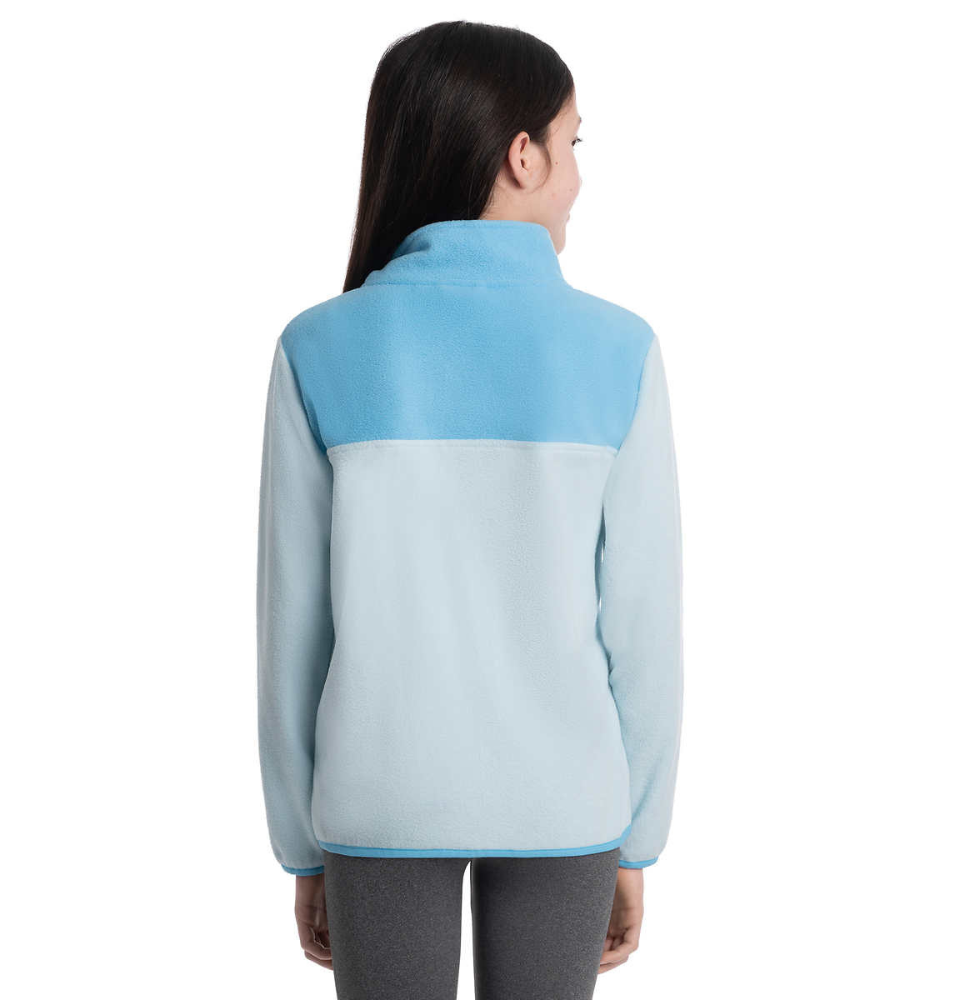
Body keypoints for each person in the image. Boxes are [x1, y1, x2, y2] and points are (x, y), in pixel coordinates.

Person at [256, 20, 683, 1000]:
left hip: (378, 797)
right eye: (573, 142)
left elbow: (292, 631)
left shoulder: (318, 346)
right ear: (521, 154)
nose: (579, 176)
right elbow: (643, 626)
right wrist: (637, 838)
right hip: (568, 798)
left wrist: (302, 848)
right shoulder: (619, 350)